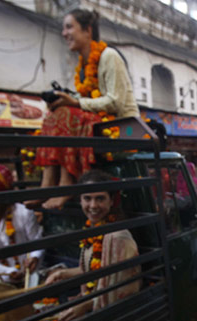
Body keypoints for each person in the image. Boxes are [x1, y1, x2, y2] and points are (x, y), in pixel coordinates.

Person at [33, 8, 139, 210]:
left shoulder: (108, 56)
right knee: (54, 113)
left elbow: (115, 102)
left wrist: (74, 103)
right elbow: (87, 101)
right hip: (98, 123)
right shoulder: (82, 65)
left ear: (87, 30)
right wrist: (66, 100)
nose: (64, 33)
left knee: (66, 113)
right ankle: (47, 185)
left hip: (125, 127)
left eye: (69, 27)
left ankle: (67, 183)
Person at [44, 170, 141, 321]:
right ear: (80, 200)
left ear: (111, 201)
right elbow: (92, 271)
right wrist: (62, 274)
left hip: (112, 318)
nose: (93, 205)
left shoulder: (119, 238)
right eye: (87, 198)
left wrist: (85, 305)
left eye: (100, 198)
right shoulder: (93, 230)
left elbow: (120, 288)